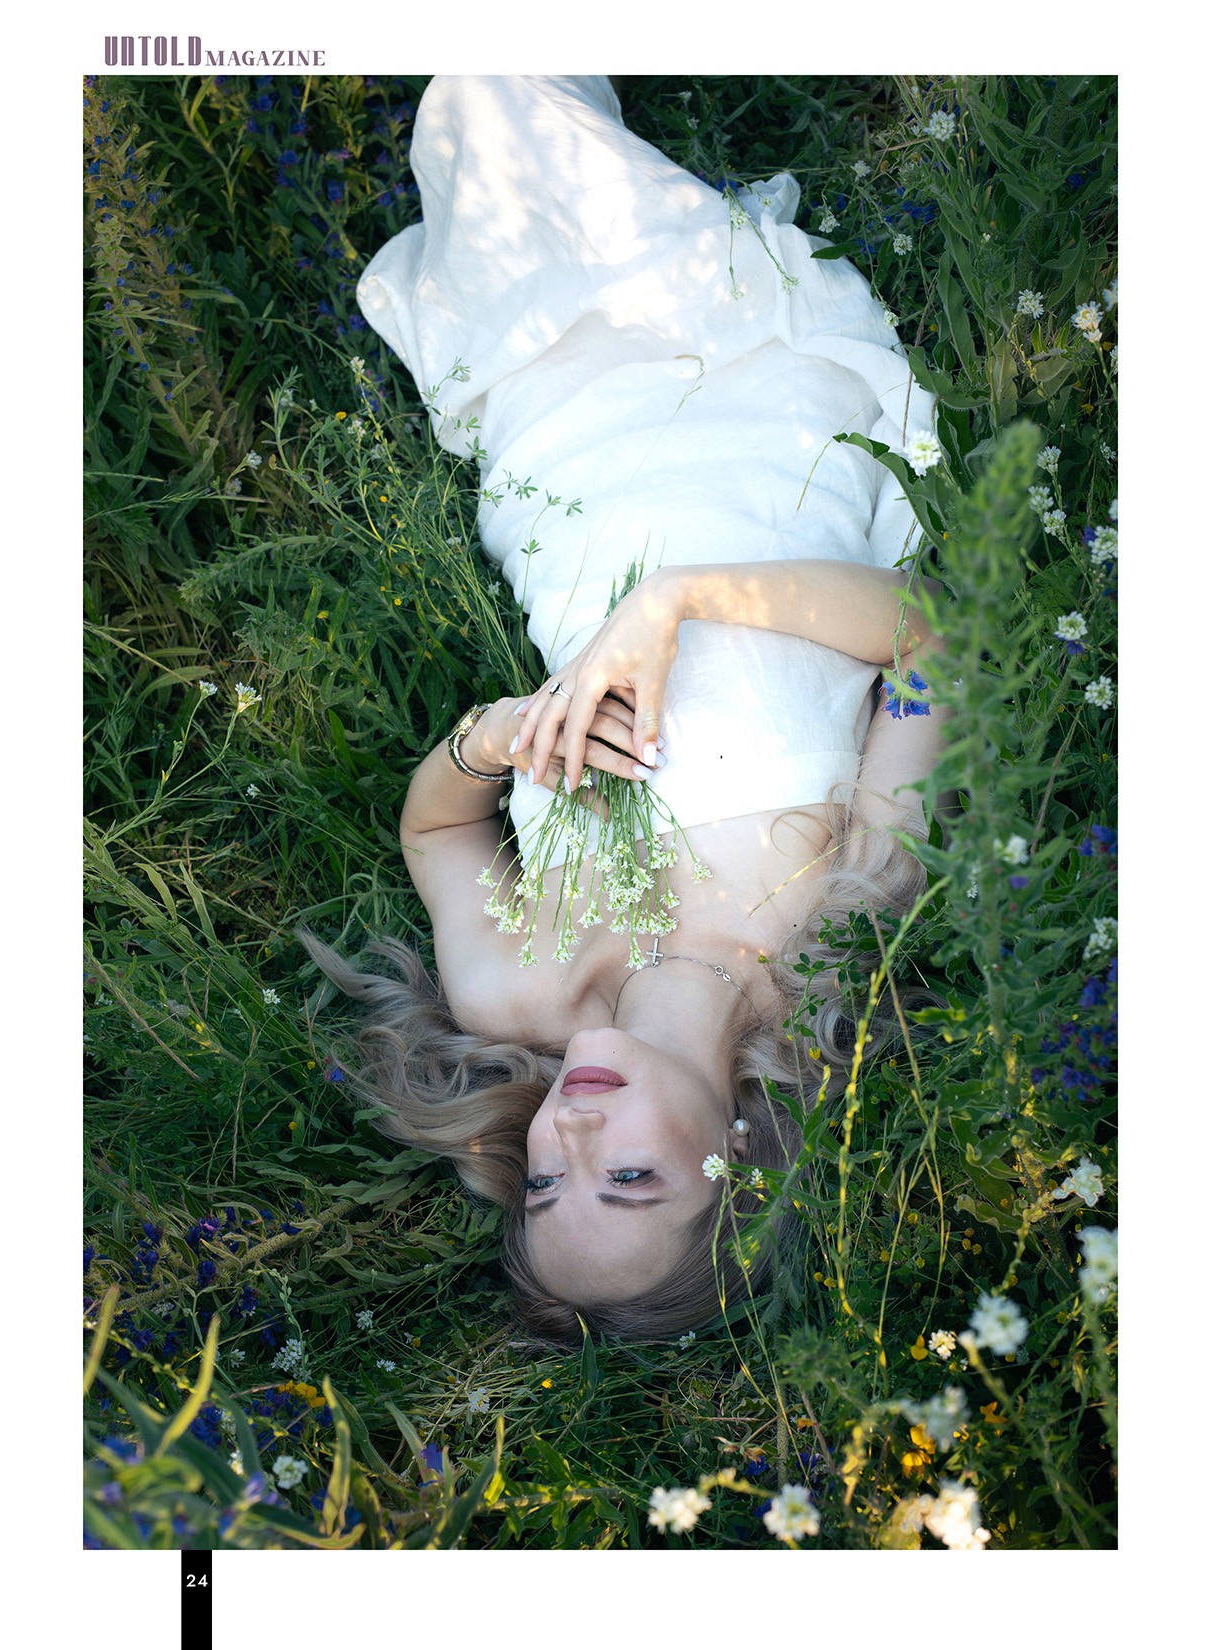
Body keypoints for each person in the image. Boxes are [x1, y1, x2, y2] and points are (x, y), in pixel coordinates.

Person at [303, 75, 950, 1344]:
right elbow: (930, 643)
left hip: (569, 474)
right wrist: (683, 599)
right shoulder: (838, 930)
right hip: (770, 457)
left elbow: (436, 834)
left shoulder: (520, 993)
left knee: (490, 124)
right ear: (738, 1158)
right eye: (632, 1178)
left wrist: (490, 741)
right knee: (514, 109)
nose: (577, 1134)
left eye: (548, 1182)